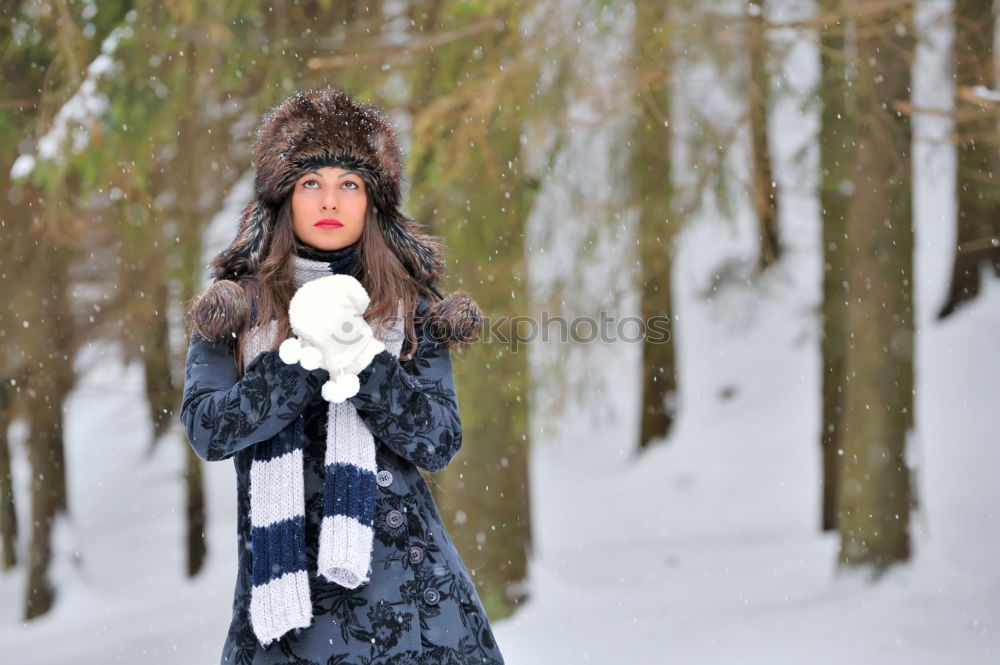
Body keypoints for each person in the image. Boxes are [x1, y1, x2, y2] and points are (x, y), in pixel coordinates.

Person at [180, 88, 505, 665]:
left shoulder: (412, 310)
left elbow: (437, 441)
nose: (330, 199)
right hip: (287, 615)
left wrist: (360, 358)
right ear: (284, 199)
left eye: (349, 184)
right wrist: (301, 359)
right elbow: (210, 431)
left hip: (416, 614)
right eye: (311, 183)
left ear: (371, 203)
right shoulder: (233, 313)